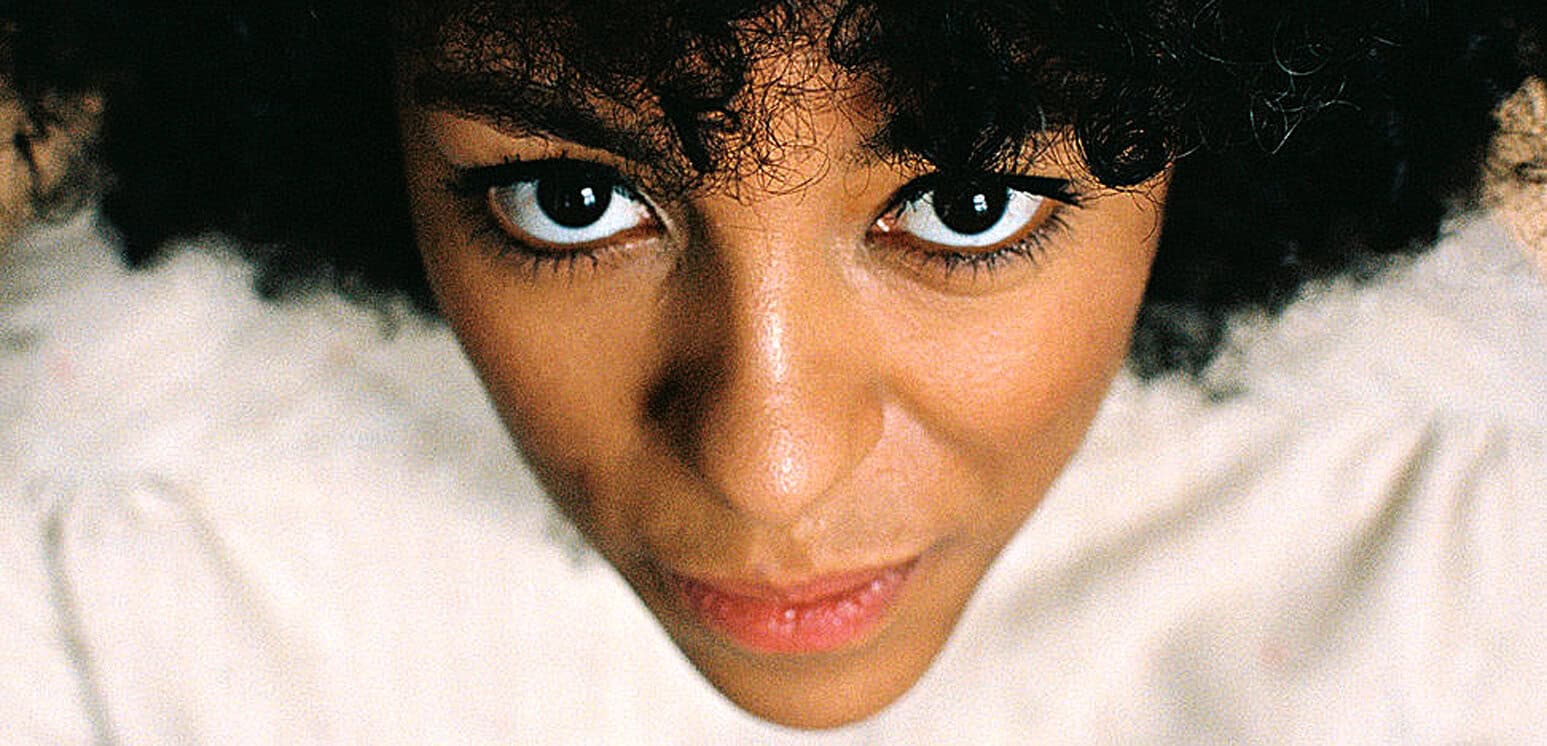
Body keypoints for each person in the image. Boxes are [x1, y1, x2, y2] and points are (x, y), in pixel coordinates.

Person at [4, 0, 1546, 740]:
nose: (769, 463)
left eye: (965, 204)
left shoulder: (1466, 519)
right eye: (572, 199)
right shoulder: (103, 551)